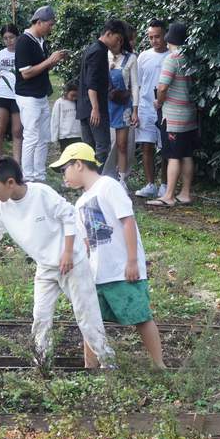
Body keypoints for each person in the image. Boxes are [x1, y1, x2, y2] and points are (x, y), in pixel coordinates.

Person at [0, 155, 113, 368]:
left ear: (10, 183)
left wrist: (68, 252)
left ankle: (109, 366)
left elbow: (68, 215)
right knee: (40, 318)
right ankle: (42, 364)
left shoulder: (41, 193)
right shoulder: (2, 210)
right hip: (45, 267)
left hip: (72, 263)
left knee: (87, 319)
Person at [54, 142, 167, 368]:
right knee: (90, 321)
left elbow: (127, 221)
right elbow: (86, 243)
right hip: (97, 273)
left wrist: (132, 261)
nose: (63, 176)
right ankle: (91, 367)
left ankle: (159, 365)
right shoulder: (80, 203)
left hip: (122, 269)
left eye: (64, 169)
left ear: (78, 164)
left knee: (140, 316)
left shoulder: (108, 185)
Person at [15, 6, 69, 183]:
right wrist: (49, 61)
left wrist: (55, 61)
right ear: (39, 22)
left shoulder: (41, 41)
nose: (51, 28)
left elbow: (42, 67)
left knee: (44, 136)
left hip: (41, 94)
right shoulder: (24, 41)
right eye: (50, 24)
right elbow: (26, 73)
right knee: (31, 135)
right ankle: (28, 176)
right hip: (28, 95)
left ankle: (39, 175)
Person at [151, 22, 197, 207]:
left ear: (169, 39)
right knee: (186, 154)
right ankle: (185, 193)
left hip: (173, 116)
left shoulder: (172, 59)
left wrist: (159, 101)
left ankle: (168, 195)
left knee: (173, 156)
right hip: (189, 114)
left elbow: (163, 86)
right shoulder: (191, 59)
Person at [77, 20, 125, 170]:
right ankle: (97, 183)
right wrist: (95, 108)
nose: (118, 42)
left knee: (89, 149)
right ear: (108, 34)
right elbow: (92, 83)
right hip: (94, 108)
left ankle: (88, 182)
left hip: (85, 106)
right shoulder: (98, 51)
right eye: (117, 38)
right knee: (102, 148)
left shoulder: (94, 49)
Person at [134, 21, 170, 199]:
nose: (154, 40)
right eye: (151, 37)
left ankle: (164, 185)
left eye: (157, 36)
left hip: (167, 109)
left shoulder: (172, 56)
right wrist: (135, 109)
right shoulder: (143, 57)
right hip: (145, 108)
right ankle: (150, 184)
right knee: (146, 146)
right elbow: (138, 85)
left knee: (165, 149)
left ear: (165, 36)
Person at [106, 23, 139, 184]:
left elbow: (135, 86)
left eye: (120, 40)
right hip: (106, 104)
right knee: (105, 144)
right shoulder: (104, 55)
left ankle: (122, 179)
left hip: (123, 105)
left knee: (122, 144)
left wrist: (135, 110)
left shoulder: (131, 58)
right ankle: (105, 177)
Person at [0, 24, 23, 158]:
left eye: (12, 37)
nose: (9, 41)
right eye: (5, 38)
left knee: (18, 131)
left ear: (17, 37)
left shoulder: (23, 52)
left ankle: (17, 164)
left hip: (19, 95)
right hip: (1, 95)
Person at [51, 81, 83, 150]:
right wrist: (54, 138)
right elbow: (55, 120)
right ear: (66, 92)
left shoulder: (78, 102)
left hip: (77, 136)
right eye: (72, 95)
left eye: (76, 96)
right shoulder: (59, 103)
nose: (74, 98)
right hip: (64, 137)